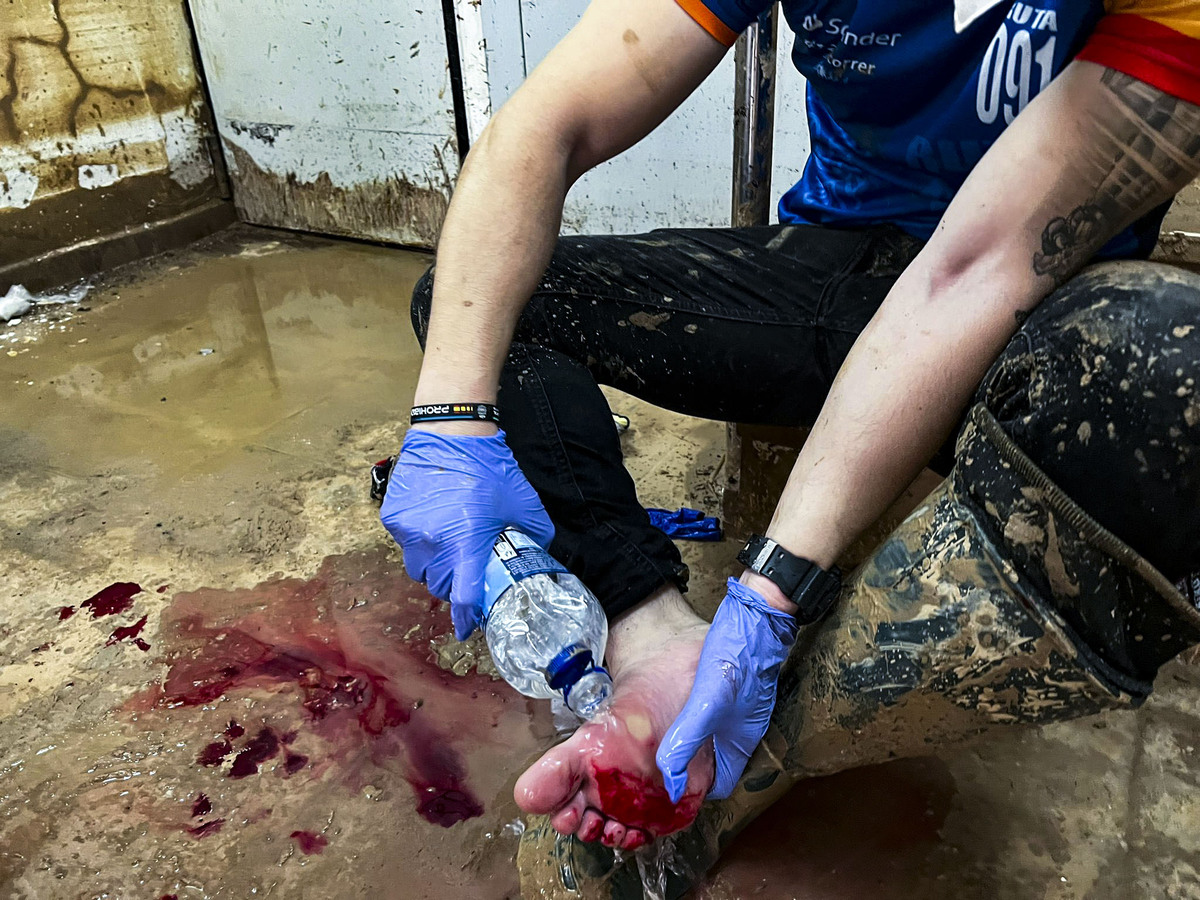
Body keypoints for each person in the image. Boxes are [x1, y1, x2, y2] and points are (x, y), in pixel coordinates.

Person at [381, 0, 1200, 853]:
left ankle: (780, 744)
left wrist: (771, 594)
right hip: (842, 267)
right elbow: (550, 119)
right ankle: (654, 639)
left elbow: (975, 267)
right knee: (477, 303)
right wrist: (450, 416)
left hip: (1032, 301)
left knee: (1173, 366)